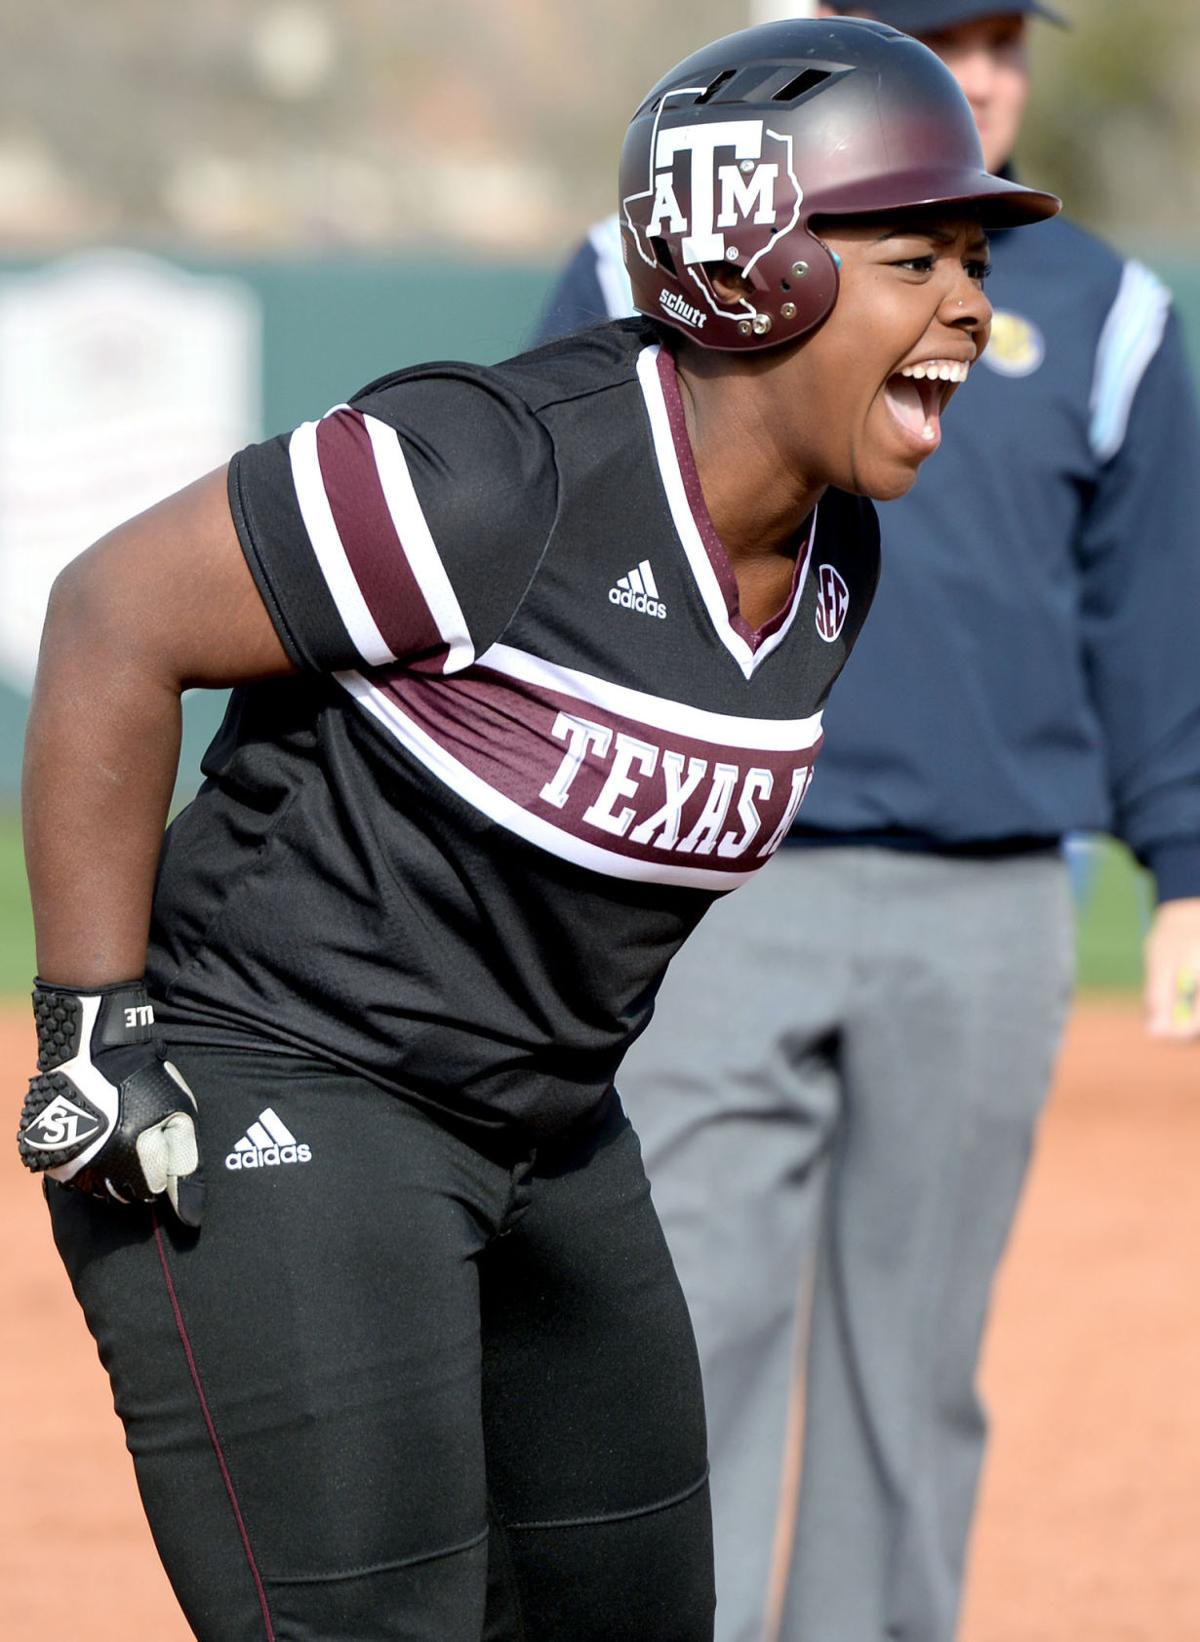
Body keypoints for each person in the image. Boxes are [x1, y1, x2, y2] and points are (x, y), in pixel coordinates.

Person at [14, 18, 1058, 1642]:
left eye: (974, 259)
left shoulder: (838, 545)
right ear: (751, 260)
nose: (972, 308)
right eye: (919, 254)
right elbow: (107, 618)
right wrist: (91, 1024)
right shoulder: (498, 473)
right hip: (288, 1074)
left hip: (547, 1125)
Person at [534, 4, 1200, 1641]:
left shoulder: (1110, 314)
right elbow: (548, 524)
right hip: (712, 884)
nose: (981, 73)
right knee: (686, 1335)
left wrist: (1186, 863)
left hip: (986, 908)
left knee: (914, 1364)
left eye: (1005, 41)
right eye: (939, 35)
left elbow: (1154, 613)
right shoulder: (668, 261)